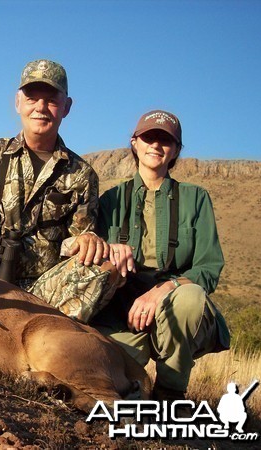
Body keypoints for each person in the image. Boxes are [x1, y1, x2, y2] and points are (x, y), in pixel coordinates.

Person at [0, 59, 118, 321]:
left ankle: (51, 335)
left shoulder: (82, 174)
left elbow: (77, 242)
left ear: (66, 107)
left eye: (51, 100)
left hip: (43, 297)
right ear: (18, 103)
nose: (41, 108)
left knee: (104, 267)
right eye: (32, 98)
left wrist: (87, 240)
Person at [93, 109, 230, 402]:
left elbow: (209, 267)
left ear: (176, 150)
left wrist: (165, 289)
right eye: (149, 137)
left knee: (190, 298)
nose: (156, 145)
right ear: (135, 143)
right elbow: (95, 262)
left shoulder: (197, 199)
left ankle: (170, 394)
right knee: (103, 372)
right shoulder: (110, 200)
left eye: (165, 140)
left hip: (177, 302)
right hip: (123, 313)